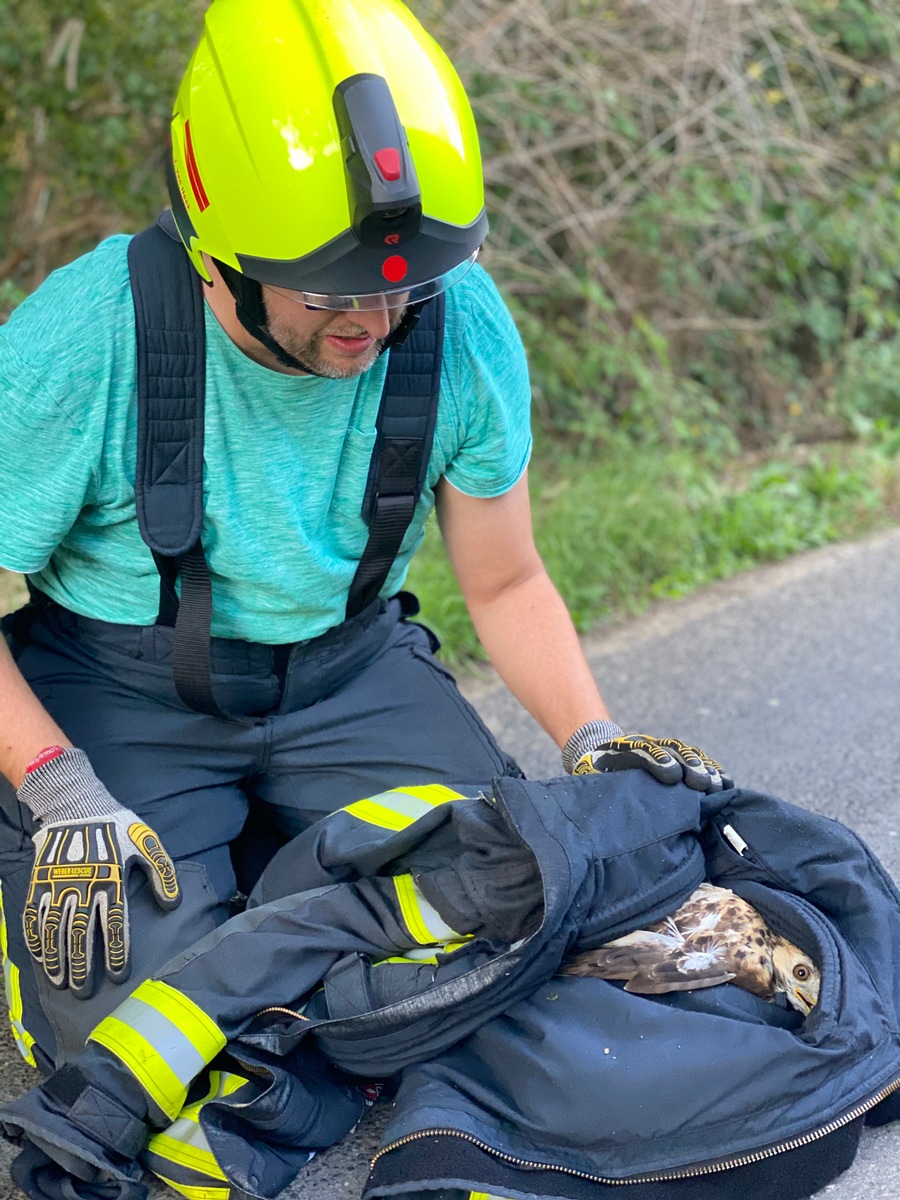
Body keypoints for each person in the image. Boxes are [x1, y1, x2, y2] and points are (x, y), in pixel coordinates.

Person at [0, 0, 726, 1072]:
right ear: (216, 253)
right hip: (119, 692)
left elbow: (510, 580)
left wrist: (590, 738)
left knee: (528, 911)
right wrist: (55, 784)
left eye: (401, 291)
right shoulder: (82, 343)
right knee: (153, 1050)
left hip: (349, 674)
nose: (371, 326)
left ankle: (262, 864)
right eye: (327, 295)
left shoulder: (458, 321)